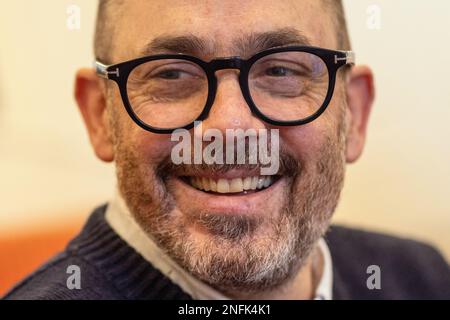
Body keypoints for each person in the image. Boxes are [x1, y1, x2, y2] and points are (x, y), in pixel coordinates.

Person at [4, 0, 450, 300]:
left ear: (353, 112)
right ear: (100, 115)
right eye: (171, 76)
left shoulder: (420, 277)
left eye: (280, 69)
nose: (231, 128)